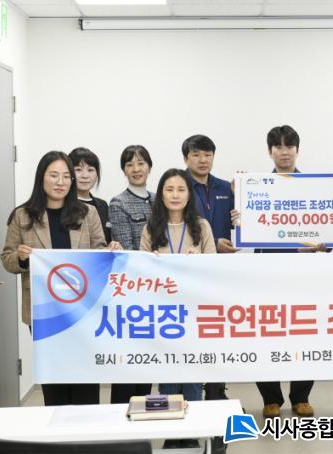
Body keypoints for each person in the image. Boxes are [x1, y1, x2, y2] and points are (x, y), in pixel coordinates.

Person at [0, 151, 121, 406]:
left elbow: (99, 251)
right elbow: (7, 259)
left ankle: (86, 428)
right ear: (41, 178)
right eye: (54, 175)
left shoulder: (87, 213)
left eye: (66, 176)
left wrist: (109, 251)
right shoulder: (22, 215)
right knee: (54, 380)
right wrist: (21, 258)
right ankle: (56, 428)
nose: (61, 182)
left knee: (85, 378)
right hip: (44, 312)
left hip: (83, 309)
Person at [140, 168, 216, 449]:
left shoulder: (202, 226)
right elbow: (140, 273)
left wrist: (199, 260)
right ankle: (171, 434)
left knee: (194, 377)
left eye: (181, 189)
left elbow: (215, 268)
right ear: (161, 194)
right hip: (163, 314)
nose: (175, 195)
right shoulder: (151, 228)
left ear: (189, 194)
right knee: (168, 376)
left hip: (195, 312)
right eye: (169, 189)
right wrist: (151, 263)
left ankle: (192, 433)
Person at [255, 125, 319, 418]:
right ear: (270, 152)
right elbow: (247, 232)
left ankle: (301, 397)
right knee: (266, 334)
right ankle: (271, 398)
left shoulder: (314, 188)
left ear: (297, 150)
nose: (284, 152)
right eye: (278, 147)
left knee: (306, 334)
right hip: (267, 274)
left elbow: (325, 228)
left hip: (304, 276)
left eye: (289, 146)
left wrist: (320, 245)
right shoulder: (255, 188)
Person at [182, 134, 237, 403]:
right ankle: (189, 389)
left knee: (218, 330)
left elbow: (244, 224)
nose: (203, 160)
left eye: (207, 155)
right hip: (188, 272)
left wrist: (245, 208)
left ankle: (217, 388)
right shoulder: (178, 187)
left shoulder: (226, 187)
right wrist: (213, 243)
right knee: (191, 331)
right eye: (196, 155)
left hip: (221, 271)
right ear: (186, 158)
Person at [108, 145, 155, 404]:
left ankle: (143, 408)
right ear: (124, 170)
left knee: (147, 359)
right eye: (130, 164)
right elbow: (125, 249)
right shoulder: (118, 203)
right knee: (127, 360)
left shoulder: (160, 198)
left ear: (149, 166)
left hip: (159, 290)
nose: (136, 169)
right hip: (133, 289)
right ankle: (120, 412)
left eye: (141, 163)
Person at [69, 147, 111, 243]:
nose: (85, 175)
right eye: (78, 169)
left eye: (90, 170)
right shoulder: (61, 204)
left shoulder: (103, 205)